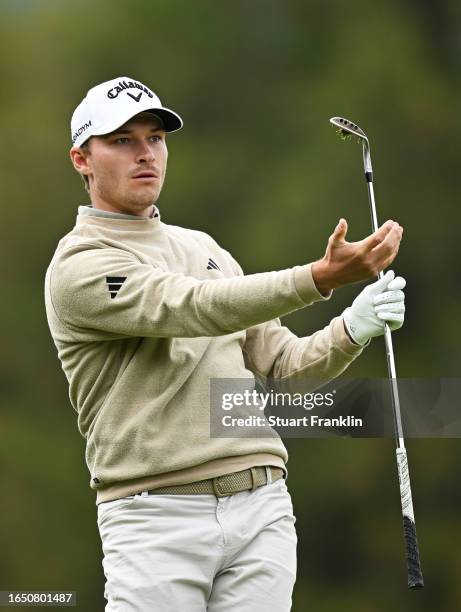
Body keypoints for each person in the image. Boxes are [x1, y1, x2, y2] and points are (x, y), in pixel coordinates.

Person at [44, 76, 405, 611]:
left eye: (156, 138)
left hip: (262, 508)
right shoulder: (80, 266)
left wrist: (353, 327)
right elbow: (193, 308)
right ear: (82, 159)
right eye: (122, 141)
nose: (146, 154)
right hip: (154, 518)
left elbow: (283, 369)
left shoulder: (204, 248)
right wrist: (321, 277)